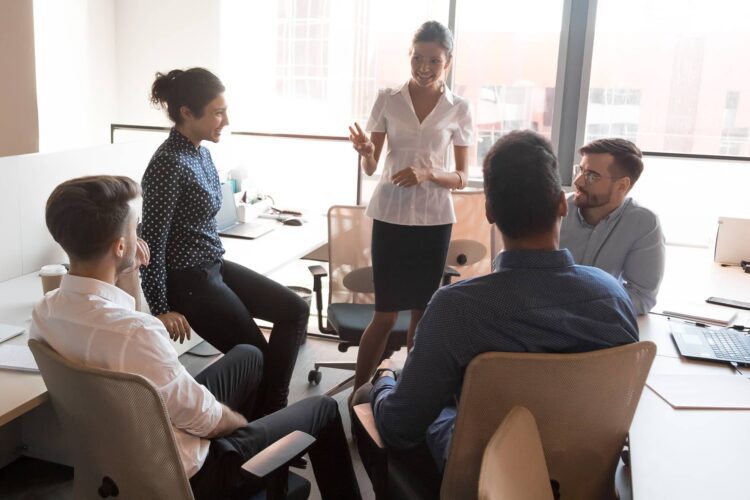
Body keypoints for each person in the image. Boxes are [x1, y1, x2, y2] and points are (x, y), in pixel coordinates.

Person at [31, 175, 361, 500]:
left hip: (123, 450)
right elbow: (204, 418)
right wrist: (239, 425)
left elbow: (117, 324)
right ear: (120, 246)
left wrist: (127, 267)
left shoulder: (45, 313)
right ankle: (251, 458)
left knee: (249, 354)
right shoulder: (137, 333)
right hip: (193, 476)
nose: (139, 236)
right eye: (135, 229)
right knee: (324, 408)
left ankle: (256, 452)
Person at [359, 130, 639, 478]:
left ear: (489, 211)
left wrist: (387, 374)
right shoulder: (611, 296)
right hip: (583, 473)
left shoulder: (456, 308)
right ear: (562, 205)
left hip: (482, 477)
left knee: (369, 398)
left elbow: (400, 429)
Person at [140, 68, 308, 417]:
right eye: (218, 112)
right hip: (189, 282)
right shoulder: (167, 163)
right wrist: (159, 307)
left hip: (211, 266)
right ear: (187, 112)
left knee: (295, 309)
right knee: (255, 354)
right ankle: (266, 423)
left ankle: (269, 412)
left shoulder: (199, 152)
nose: (226, 120)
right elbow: (152, 239)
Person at [347, 20, 474, 394]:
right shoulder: (388, 98)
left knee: (422, 312)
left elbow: (464, 177)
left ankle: (407, 394)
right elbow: (372, 168)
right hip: (390, 216)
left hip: (434, 221)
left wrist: (429, 173)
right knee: (384, 314)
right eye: (418, 57)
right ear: (409, 56)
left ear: (447, 62)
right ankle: (359, 396)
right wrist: (367, 153)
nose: (424, 66)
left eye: (433, 60)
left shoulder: (459, 108)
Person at [560, 138, 665, 314]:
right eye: (580, 170)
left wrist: (580, 308)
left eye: (592, 176)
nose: (578, 182)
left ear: (622, 185)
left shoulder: (644, 223)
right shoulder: (555, 209)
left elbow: (642, 297)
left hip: (596, 324)